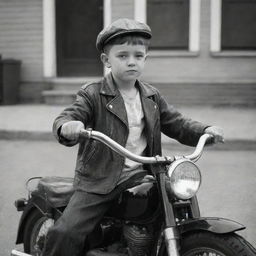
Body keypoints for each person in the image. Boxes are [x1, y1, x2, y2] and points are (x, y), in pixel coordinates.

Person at [42, 18, 224, 256]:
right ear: (106, 60)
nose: (131, 62)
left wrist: (204, 130)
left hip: (144, 175)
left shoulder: (151, 96)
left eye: (138, 56)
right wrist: (67, 126)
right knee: (67, 232)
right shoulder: (93, 94)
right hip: (101, 180)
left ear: (145, 59)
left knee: (175, 201)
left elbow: (177, 123)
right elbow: (69, 115)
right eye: (123, 56)